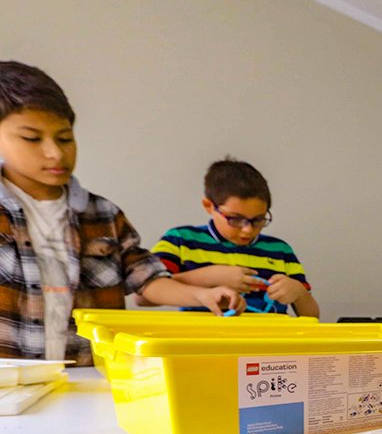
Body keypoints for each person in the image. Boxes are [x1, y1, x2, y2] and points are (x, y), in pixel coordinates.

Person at [0, 62, 244, 365]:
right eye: (32, 138)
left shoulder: (103, 214)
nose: (56, 153)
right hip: (9, 378)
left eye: (64, 138)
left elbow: (146, 279)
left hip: (89, 370)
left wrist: (201, 296)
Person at [151, 158, 319, 317]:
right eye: (235, 219)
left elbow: (312, 316)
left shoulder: (280, 250)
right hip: (202, 336)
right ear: (209, 206)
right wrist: (208, 277)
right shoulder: (180, 240)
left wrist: (299, 293)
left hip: (268, 336)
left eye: (258, 219)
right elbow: (145, 295)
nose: (248, 230)